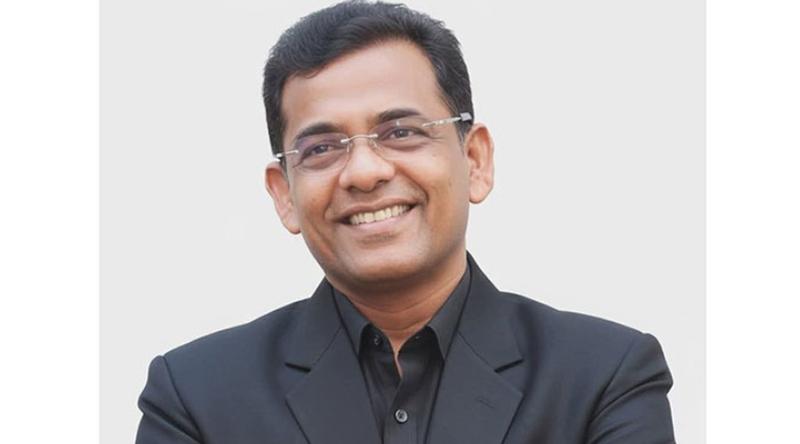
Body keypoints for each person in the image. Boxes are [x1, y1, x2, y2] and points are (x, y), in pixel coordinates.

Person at [134, 1, 675, 443]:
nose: (364, 172)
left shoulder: (604, 377)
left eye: (401, 133)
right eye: (322, 148)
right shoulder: (195, 397)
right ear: (285, 195)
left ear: (475, 160)